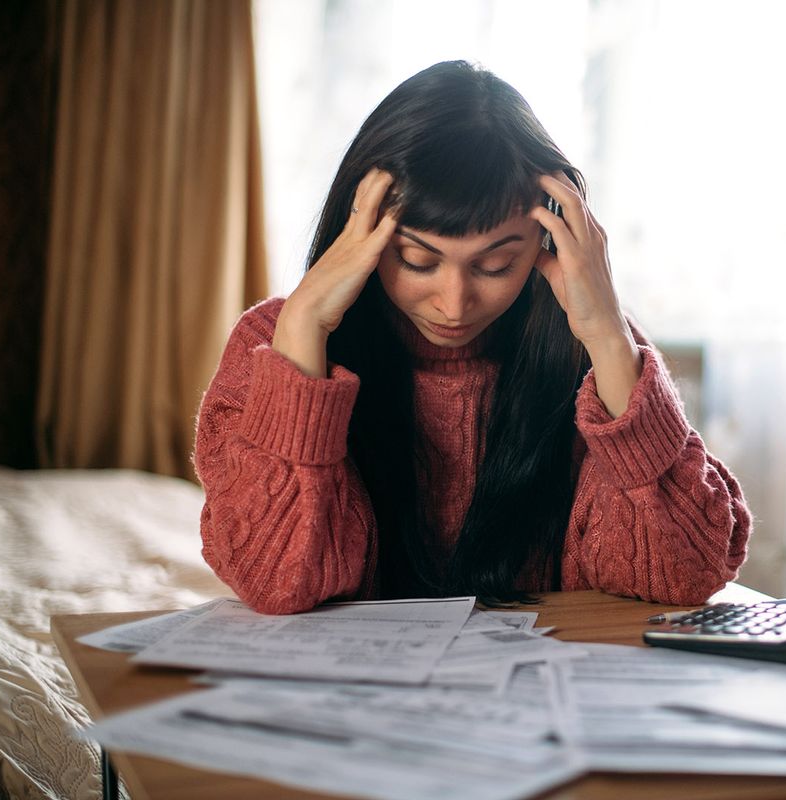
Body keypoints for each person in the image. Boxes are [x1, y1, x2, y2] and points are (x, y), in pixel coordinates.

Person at [194, 60, 750, 615]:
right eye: (417, 260)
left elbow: (684, 575)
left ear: (546, 241)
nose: (453, 304)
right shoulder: (274, 344)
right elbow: (275, 581)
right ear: (356, 233)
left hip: (544, 690)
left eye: (495, 265)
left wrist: (607, 337)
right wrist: (303, 334)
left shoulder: (595, 352)